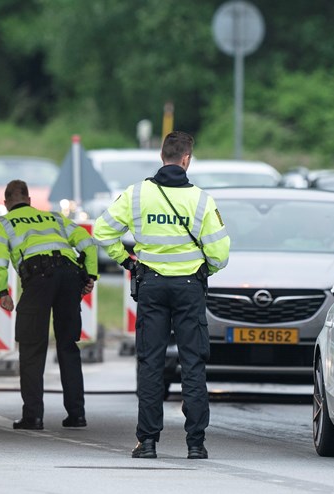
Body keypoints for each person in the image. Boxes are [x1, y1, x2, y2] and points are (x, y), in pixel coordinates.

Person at [92, 131, 231, 459]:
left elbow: (101, 231)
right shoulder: (201, 200)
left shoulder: (137, 194)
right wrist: (201, 271)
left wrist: (128, 261)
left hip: (151, 287)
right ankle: (196, 444)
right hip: (188, 289)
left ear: (162, 156)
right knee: (192, 363)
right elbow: (220, 255)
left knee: (151, 363)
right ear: (187, 159)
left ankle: (148, 442)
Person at [0, 179, 98, 430]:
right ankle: (77, 415)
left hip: (38, 280)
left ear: (6, 204)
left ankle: (33, 417)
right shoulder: (54, 219)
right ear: (29, 201)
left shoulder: (2, 223)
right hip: (69, 277)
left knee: (31, 348)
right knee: (68, 346)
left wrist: (2, 290)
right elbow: (88, 244)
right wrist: (90, 276)